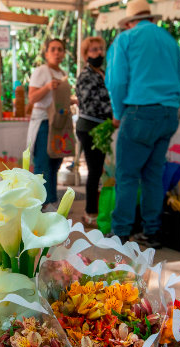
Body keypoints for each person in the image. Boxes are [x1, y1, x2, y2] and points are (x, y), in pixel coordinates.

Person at [105, 0, 180, 247]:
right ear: (151, 18)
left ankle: (120, 233)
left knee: (128, 176)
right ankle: (152, 232)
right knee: (153, 175)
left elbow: (117, 81)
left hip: (140, 111)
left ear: (129, 22)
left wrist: (118, 112)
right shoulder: (169, 40)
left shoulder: (126, 38)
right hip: (169, 114)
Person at [26, 38, 73, 211]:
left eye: (60, 49)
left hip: (59, 125)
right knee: (41, 165)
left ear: (63, 53)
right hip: (43, 122)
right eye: (53, 49)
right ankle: (37, 204)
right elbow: (32, 98)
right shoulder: (40, 71)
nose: (56, 52)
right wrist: (47, 87)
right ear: (46, 53)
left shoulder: (62, 73)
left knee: (55, 165)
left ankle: (51, 201)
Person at [75, 36, 112, 228]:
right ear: (85, 55)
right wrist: (114, 112)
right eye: (93, 50)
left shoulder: (104, 73)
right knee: (94, 171)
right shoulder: (85, 76)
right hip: (90, 127)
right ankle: (90, 212)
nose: (98, 53)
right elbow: (92, 104)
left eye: (100, 49)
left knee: (98, 170)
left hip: (102, 127)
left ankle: (94, 209)